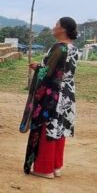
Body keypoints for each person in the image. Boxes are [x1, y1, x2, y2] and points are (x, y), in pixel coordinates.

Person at [23, 17, 81, 179]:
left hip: (53, 94)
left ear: (63, 29)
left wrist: (37, 68)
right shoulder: (74, 49)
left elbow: (49, 73)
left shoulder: (59, 48)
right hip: (67, 93)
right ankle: (56, 166)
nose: (54, 27)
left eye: (56, 25)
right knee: (59, 128)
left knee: (47, 127)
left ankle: (44, 168)